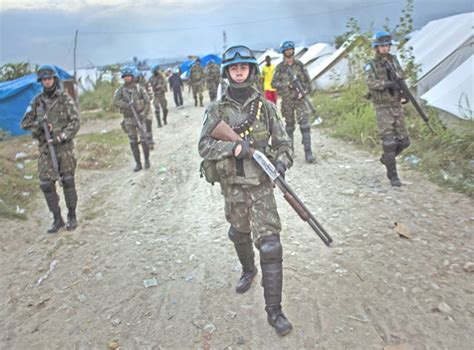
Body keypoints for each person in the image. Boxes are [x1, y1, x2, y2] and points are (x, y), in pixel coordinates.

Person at [198, 45, 294, 336]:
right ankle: (248, 270)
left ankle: (274, 311)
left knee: (271, 244)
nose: (239, 72)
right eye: (233, 68)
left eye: (244, 68)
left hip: (263, 186)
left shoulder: (265, 107)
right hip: (234, 187)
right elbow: (204, 146)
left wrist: (281, 160)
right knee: (238, 233)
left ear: (251, 71)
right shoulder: (216, 110)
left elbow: (285, 145)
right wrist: (233, 147)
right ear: (227, 73)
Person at [21, 64, 80, 233]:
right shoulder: (37, 102)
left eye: (49, 78)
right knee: (46, 184)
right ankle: (57, 218)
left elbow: (75, 122)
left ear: (54, 79)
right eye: (44, 79)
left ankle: (72, 216)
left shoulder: (64, 98)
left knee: (68, 181)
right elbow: (24, 123)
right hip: (46, 149)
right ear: (41, 81)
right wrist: (39, 126)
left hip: (64, 148)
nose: (47, 82)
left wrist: (62, 136)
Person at [365, 31, 410, 187]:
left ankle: (387, 158)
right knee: (389, 142)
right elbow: (371, 83)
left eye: (387, 45)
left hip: (396, 104)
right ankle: (393, 176)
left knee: (404, 141)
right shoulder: (371, 64)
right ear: (376, 47)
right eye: (382, 46)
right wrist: (387, 84)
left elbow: (401, 76)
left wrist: (404, 91)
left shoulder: (394, 60)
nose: (385, 48)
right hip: (382, 106)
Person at [272, 40, 315, 163]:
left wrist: (304, 92)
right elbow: (274, 83)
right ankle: (289, 152)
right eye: (287, 50)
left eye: (291, 49)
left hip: (300, 100)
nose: (289, 52)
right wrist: (288, 84)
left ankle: (308, 152)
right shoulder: (280, 68)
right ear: (283, 52)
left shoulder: (300, 65)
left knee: (305, 126)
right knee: (289, 127)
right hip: (287, 101)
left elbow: (308, 83)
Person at [113, 67, 151, 172]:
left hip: (140, 117)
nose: (127, 78)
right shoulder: (121, 90)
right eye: (125, 77)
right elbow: (115, 101)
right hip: (128, 119)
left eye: (129, 76)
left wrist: (144, 113)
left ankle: (147, 159)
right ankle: (138, 163)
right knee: (133, 142)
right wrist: (126, 105)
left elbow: (147, 101)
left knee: (144, 140)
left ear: (132, 77)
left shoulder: (139, 88)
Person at [136, 71, 155, 148]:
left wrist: (145, 98)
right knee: (139, 125)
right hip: (136, 108)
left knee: (148, 122)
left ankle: (150, 140)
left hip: (146, 106)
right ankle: (143, 139)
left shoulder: (145, 82)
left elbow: (150, 94)